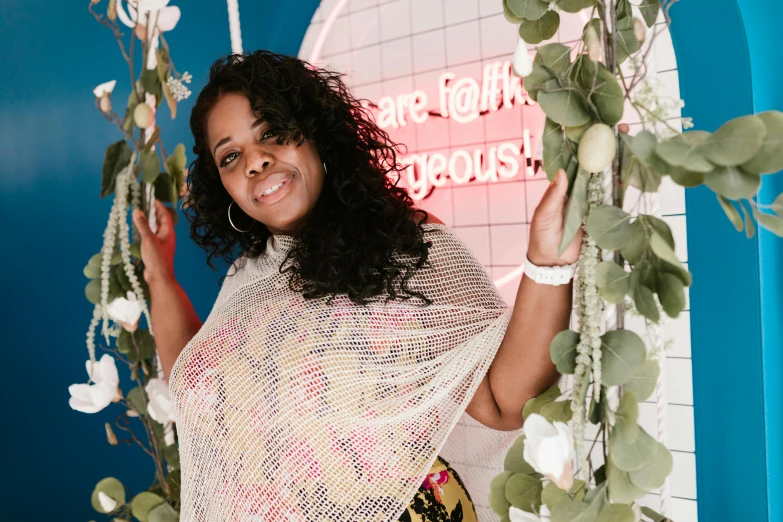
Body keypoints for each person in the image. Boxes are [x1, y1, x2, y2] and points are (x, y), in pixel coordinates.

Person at [131, 50, 581, 522]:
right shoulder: (249, 279)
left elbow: (501, 400)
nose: (256, 162)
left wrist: (548, 263)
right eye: (230, 156)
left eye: (272, 132)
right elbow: (198, 393)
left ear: (318, 134)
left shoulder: (406, 247)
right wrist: (160, 277)